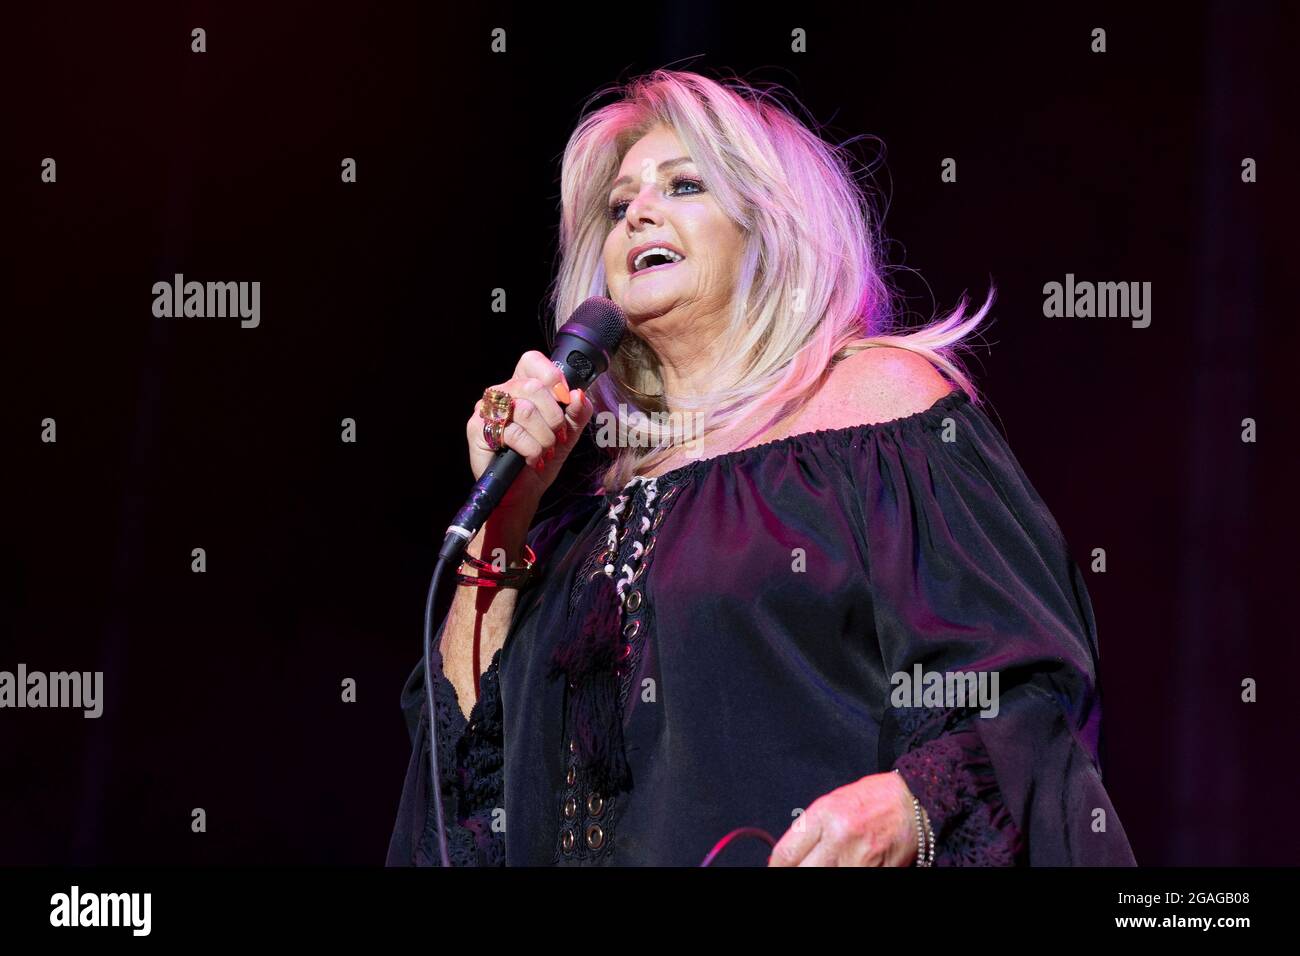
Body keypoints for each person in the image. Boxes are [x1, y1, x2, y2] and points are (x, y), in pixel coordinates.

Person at [386, 69, 1136, 867]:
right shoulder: (578, 522)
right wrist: (507, 519)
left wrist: (914, 805)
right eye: (617, 206)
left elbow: (1023, 691)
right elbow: (464, 784)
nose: (638, 211)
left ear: (771, 228)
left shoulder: (877, 412)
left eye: (683, 185)